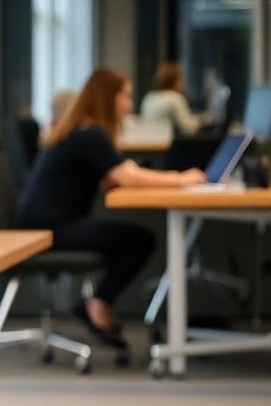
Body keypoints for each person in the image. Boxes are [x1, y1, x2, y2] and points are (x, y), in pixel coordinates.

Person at [18, 68, 206, 348]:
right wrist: (182, 179)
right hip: (49, 228)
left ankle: (98, 302)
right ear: (107, 97)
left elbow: (112, 176)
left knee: (134, 238)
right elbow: (125, 176)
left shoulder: (81, 128)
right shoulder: (89, 132)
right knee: (140, 241)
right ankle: (98, 303)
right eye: (125, 96)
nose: (129, 104)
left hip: (44, 221)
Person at [140, 61, 202, 135]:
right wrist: (200, 121)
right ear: (175, 81)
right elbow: (188, 128)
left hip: (149, 140)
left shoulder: (149, 97)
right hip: (168, 140)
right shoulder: (175, 98)